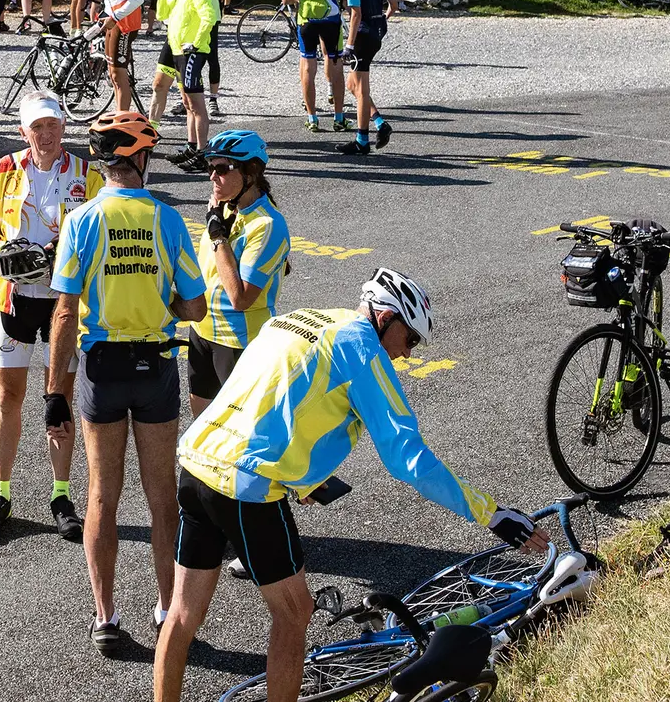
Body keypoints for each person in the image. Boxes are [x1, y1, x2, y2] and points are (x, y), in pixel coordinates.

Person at [156, 276, 547, 702]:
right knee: (295, 613)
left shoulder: (299, 319)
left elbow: (274, 399)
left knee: (182, 613)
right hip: (245, 485)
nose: (408, 352)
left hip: (196, 463)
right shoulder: (361, 349)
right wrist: (490, 513)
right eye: (410, 338)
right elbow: (408, 459)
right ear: (386, 317)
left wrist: (304, 477)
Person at [46, 110, 206, 655]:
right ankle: (167, 612)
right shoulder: (168, 219)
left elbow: (64, 312)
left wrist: (54, 393)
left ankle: (105, 617)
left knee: (100, 496)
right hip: (154, 366)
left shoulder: (82, 220)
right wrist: (162, 301)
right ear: (138, 158)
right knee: (163, 498)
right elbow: (196, 307)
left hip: (101, 370)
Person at [0, 90, 103, 544]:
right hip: (14, 299)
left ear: (63, 127)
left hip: (64, 303)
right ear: (23, 131)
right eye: (37, 127)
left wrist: (61, 250)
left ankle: (61, 496)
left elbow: (100, 229)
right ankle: (1, 493)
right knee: (9, 397)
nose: (46, 135)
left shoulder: (87, 174)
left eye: (53, 125)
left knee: (58, 397)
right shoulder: (6, 168)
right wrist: (0, 248)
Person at [186, 129, 288, 420]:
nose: (212, 177)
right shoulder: (225, 210)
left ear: (250, 172)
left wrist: (218, 236)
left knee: (239, 433)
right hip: (201, 332)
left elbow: (240, 298)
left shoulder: (267, 225)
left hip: (237, 342)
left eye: (221, 169)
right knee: (202, 430)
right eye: (209, 168)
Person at [150, 0, 217, 169]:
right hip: (177, 49)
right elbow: (162, 14)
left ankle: (202, 153)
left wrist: (195, 43)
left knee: (196, 104)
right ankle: (192, 146)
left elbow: (209, 18)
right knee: (188, 103)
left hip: (192, 52)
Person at [283, 0, 348, 133]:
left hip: (306, 19)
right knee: (336, 65)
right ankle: (339, 118)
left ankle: (312, 118)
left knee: (308, 67)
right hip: (331, 18)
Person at [337, 0, 394, 155]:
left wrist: (349, 45)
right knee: (352, 85)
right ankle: (380, 123)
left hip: (362, 36)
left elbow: (356, 14)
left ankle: (362, 140)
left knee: (361, 90)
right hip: (377, 32)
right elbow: (393, 3)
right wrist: (382, 20)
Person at [82, 0, 144, 112]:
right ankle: (119, 112)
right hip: (114, 21)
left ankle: (122, 117)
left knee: (118, 74)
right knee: (112, 74)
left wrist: (114, 17)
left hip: (125, 25)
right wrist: (105, 16)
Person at [183, 0, 239, 119]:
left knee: (211, 58)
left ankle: (213, 99)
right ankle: (187, 97)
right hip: (189, 18)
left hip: (210, 17)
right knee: (187, 58)